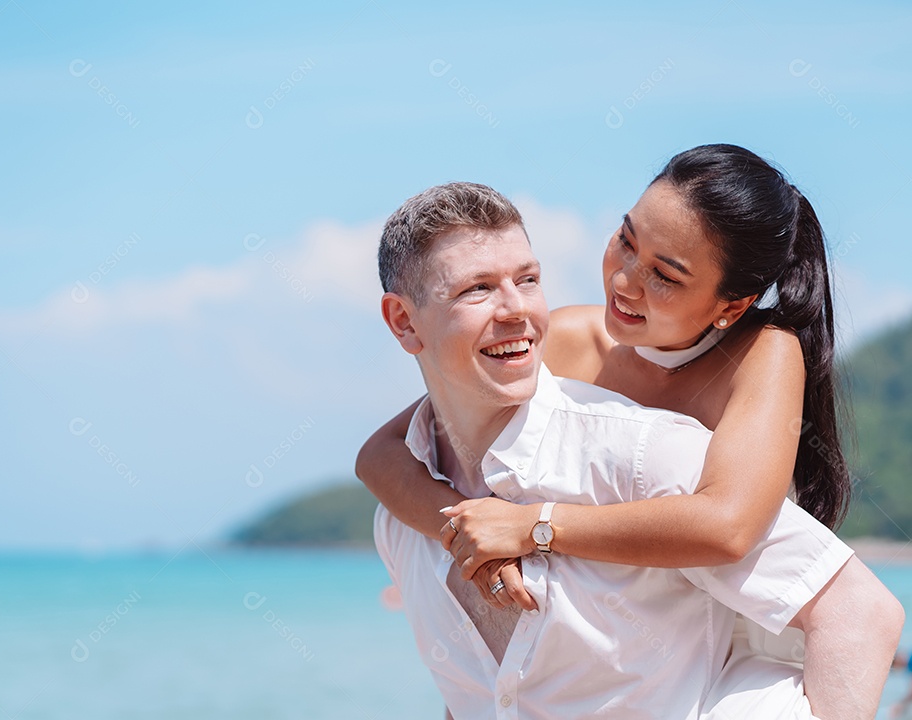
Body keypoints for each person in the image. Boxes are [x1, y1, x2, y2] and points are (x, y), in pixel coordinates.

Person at [359, 145, 899, 715]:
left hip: (752, 639)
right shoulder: (570, 339)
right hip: (626, 645)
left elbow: (729, 526)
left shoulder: (762, 355)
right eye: (626, 240)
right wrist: (469, 541)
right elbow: (388, 451)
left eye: (665, 276)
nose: (625, 280)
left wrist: (531, 528)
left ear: (731, 307)